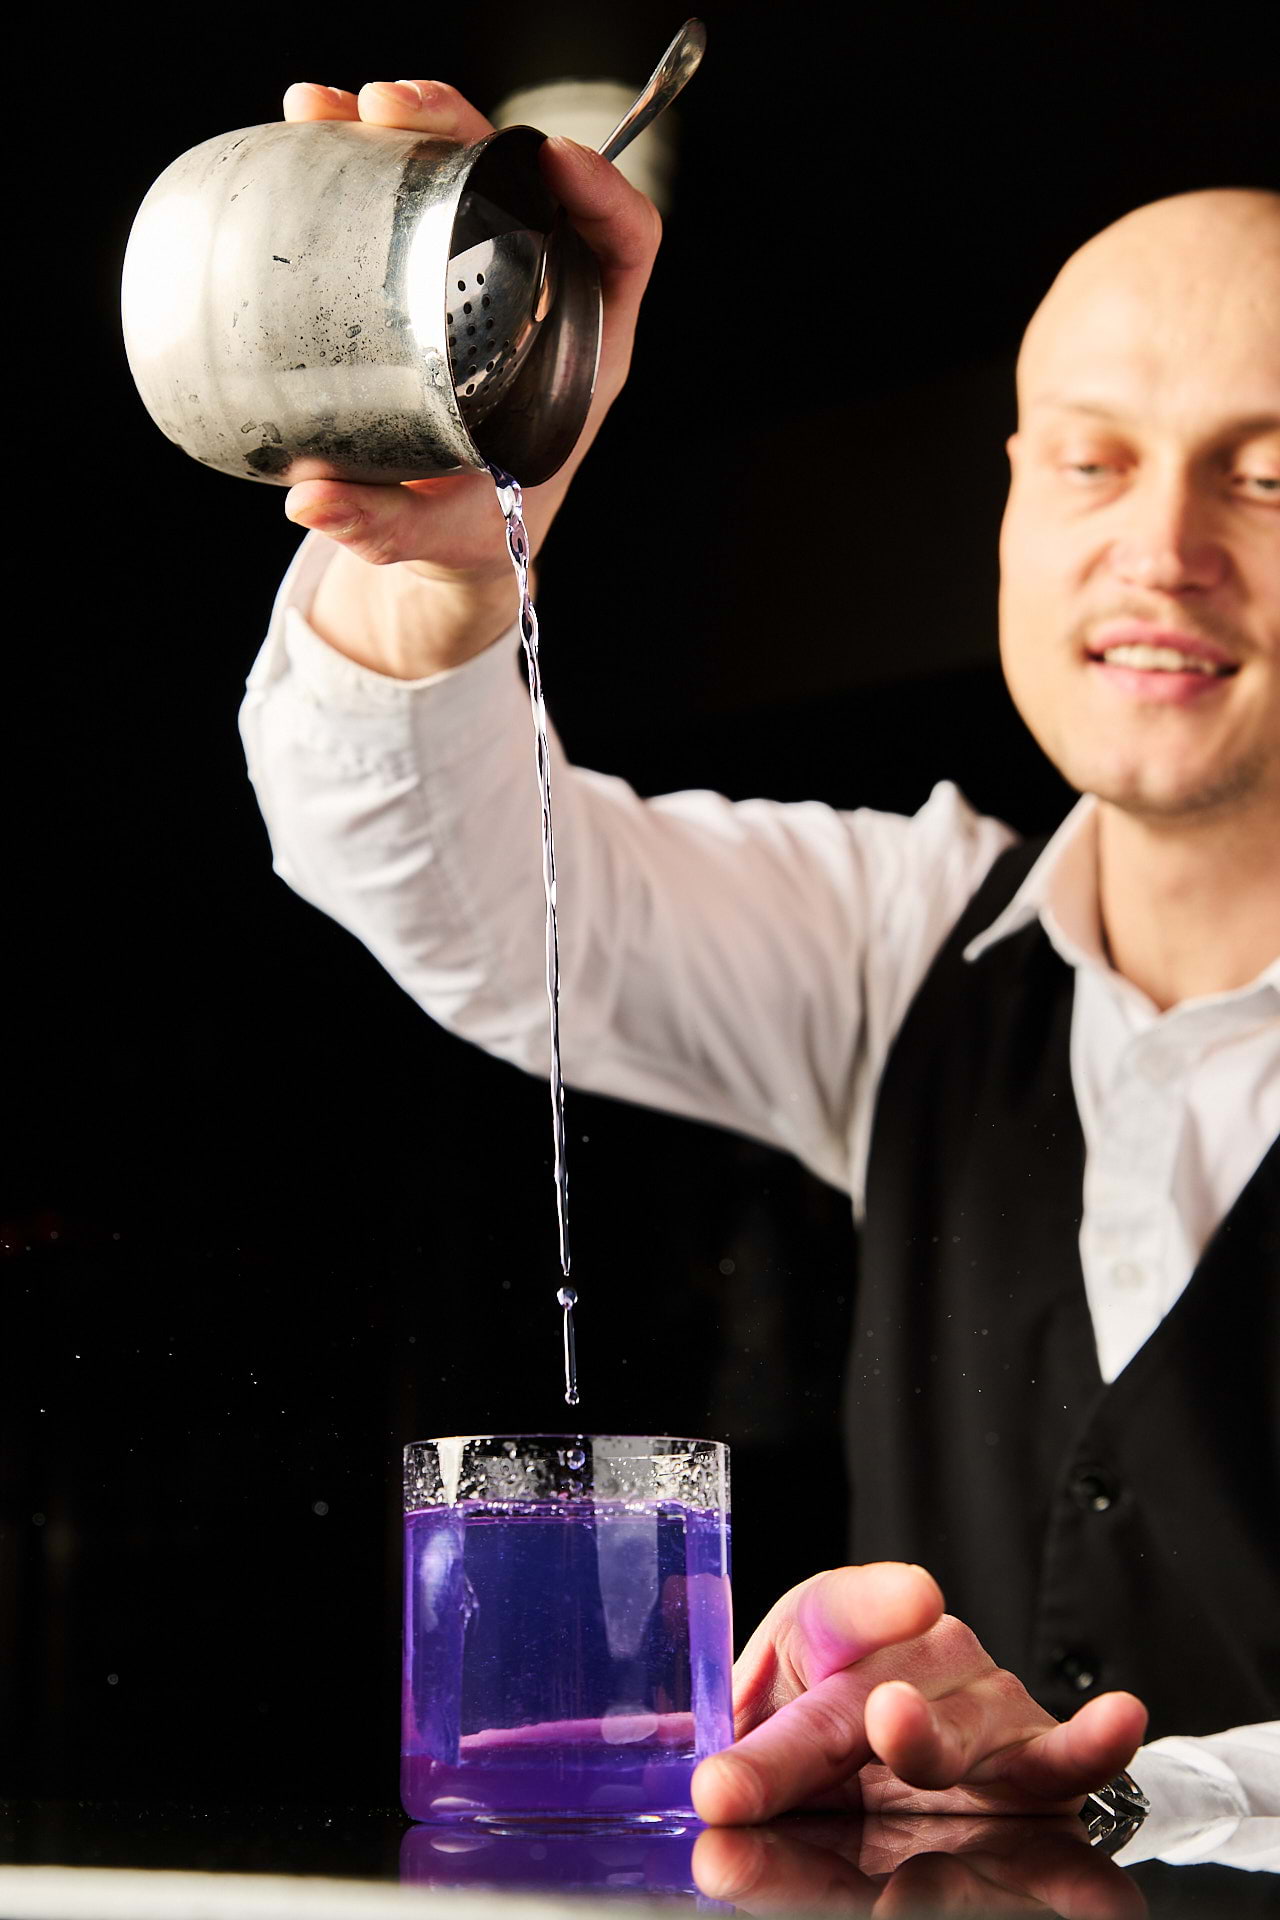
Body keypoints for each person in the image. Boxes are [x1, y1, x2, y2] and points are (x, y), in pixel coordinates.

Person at [239, 77, 1279, 1855]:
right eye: (1092, 461)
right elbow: (452, 889)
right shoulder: (905, 944)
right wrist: (440, 582)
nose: (1162, 553)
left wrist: (1143, 1796)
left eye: (1267, 476)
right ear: (1013, 499)